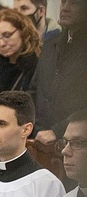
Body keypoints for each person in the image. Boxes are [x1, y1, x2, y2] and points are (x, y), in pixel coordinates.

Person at [30, 0, 87, 148]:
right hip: (41, 139)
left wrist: (57, 130)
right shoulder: (50, 45)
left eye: (74, 3)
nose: (65, 8)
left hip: (77, 144)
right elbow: (35, 90)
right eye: (63, 2)